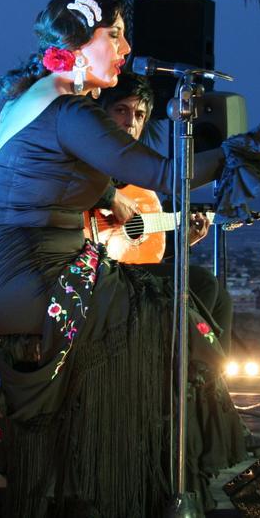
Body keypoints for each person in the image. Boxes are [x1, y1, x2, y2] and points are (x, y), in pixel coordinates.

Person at [0, 0, 260, 516]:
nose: (127, 48)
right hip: (27, 282)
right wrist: (259, 141)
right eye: (114, 34)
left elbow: (41, 169)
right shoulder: (70, 112)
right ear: (76, 46)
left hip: (2, 278)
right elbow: (162, 172)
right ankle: (129, 477)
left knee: (173, 301)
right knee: (163, 314)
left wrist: (109, 193)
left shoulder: (34, 99)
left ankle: (131, 470)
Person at [93, 72, 234, 351]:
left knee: (222, 299)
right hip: (96, 273)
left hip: (126, 270)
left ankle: (210, 375)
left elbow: (138, 248)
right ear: (101, 113)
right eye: (121, 110)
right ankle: (182, 368)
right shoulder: (86, 158)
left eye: (139, 114)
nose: (130, 122)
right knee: (203, 282)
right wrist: (110, 197)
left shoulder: (137, 179)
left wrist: (183, 242)